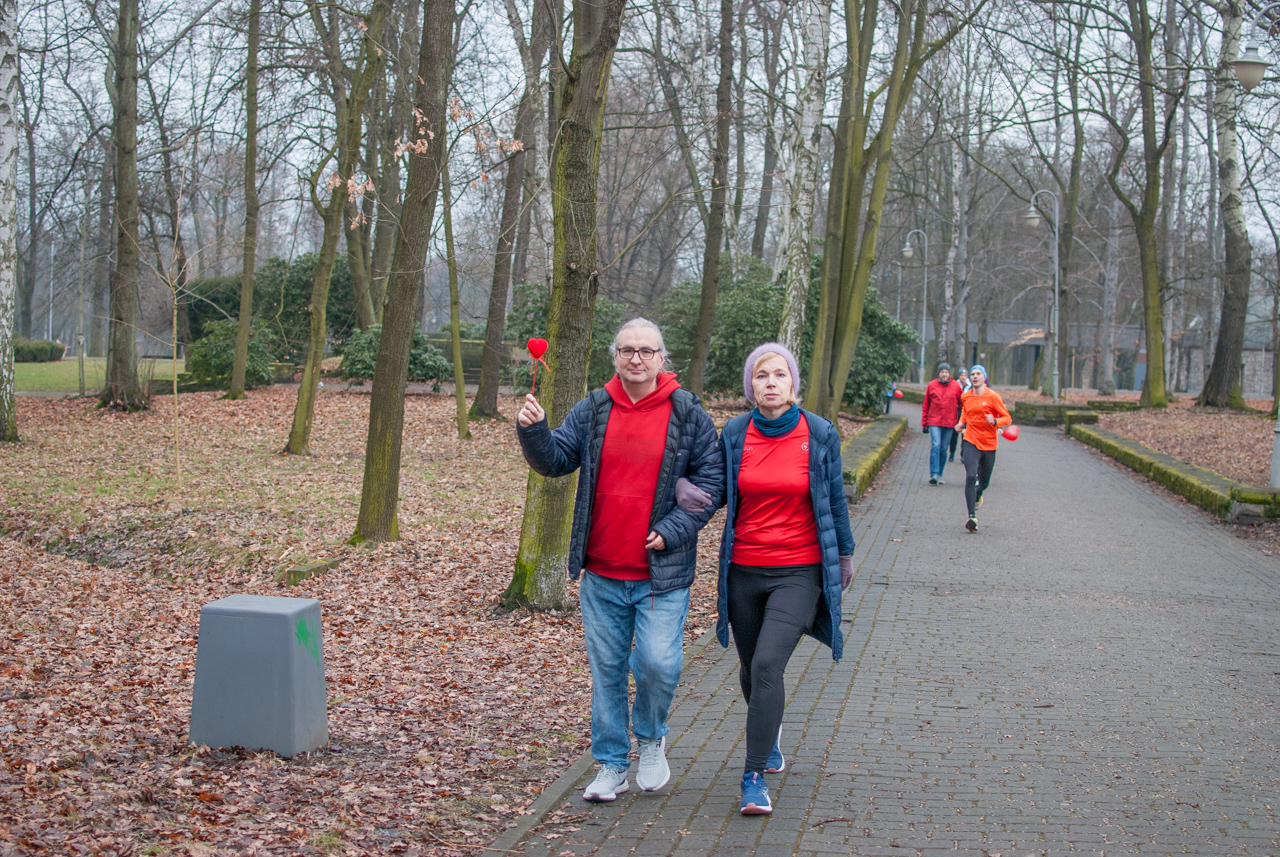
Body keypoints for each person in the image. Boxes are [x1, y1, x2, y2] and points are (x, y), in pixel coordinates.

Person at [515, 318, 723, 802]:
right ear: (614, 356)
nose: (636, 359)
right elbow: (556, 460)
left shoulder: (687, 411)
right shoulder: (594, 406)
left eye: (646, 351)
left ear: (661, 358)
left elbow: (712, 484)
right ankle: (610, 764)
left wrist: (671, 530)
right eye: (627, 350)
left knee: (657, 664)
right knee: (607, 673)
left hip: (661, 577)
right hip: (602, 573)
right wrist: (533, 431)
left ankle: (651, 739)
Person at [708, 342, 855, 816]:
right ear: (750, 387)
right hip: (743, 571)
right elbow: (714, 489)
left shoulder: (818, 433)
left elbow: (833, 499)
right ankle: (768, 736)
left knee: (770, 663)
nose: (770, 383)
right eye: (761, 376)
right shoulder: (734, 433)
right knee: (752, 669)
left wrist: (844, 556)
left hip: (799, 569)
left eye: (779, 375)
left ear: (793, 383)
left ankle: (753, 779)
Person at [954, 364, 1011, 532]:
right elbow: (966, 410)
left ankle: (978, 493)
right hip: (970, 440)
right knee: (971, 475)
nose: (974, 376)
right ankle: (972, 516)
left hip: (989, 443)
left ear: (984, 377)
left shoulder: (993, 397)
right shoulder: (966, 396)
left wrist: (995, 421)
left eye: (978, 373)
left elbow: (1007, 418)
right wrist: (961, 423)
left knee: (984, 482)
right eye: (972, 374)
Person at [922, 363, 963, 485]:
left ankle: (940, 474)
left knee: (944, 448)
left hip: (949, 422)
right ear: (938, 373)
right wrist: (924, 422)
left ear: (949, 374)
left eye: (946, 372)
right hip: (934, 420)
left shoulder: (955, 386)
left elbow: (962, 403)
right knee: (936, 445)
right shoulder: (932, 385)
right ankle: (933, 474)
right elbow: (926, 405)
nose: (944, 374)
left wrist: (963, 421)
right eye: (942, 372)